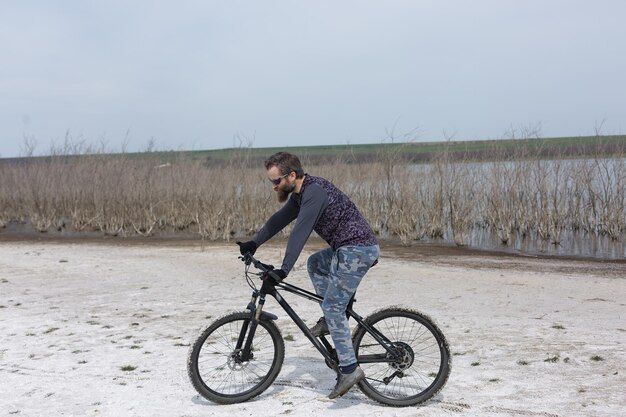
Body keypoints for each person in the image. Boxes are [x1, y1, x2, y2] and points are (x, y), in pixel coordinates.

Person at [237, 151, 379, 399]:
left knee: (334, 307)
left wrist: (283, 270)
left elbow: (299, 232)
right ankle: (331, 318)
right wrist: (254, 242)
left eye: (276, 181)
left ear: (292, 175)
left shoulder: (314, 193)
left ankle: (349, 369)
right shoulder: (300, 194)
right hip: (345, 249)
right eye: (271, 182)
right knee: (316, 264)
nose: (273, 187)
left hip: (358, 249)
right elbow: (278, 221)